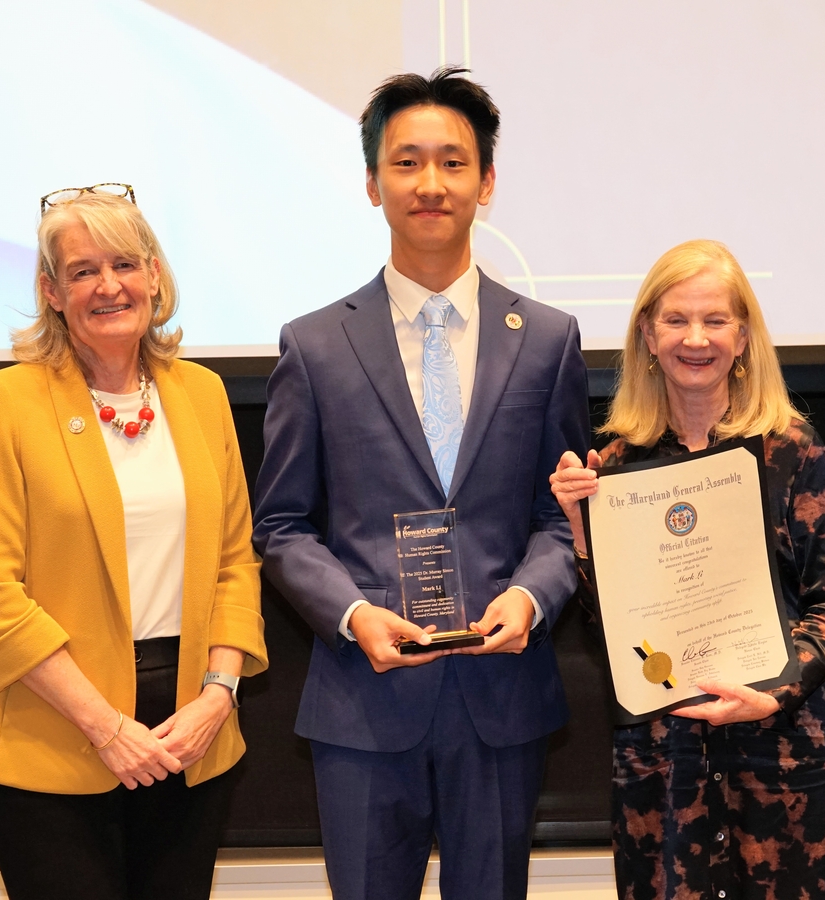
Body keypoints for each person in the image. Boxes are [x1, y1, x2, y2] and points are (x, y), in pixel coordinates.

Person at [251, 67, 589, 900]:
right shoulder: (315, 344)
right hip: (365, 702)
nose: (430, 184)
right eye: (406, 163)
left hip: (501, 695)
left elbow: (564, 515)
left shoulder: (546, 339)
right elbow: (283, 526)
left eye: (452, 162)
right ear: (372, 184)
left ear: (487, 183)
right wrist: (354, 613)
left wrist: (534, 598)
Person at [0, 185, 268, 900]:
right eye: (82, 270)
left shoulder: (203, 395)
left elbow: (234, 566)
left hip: (191, 736)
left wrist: (218, 696)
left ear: (155, 275)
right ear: (51, 292)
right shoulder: (3, 405)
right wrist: (106, 728)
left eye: (125, 263)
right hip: (54, 742)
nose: (108, 286)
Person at [550, 240, 825, 900]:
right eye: (676, 320)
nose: (697, 339)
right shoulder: (613, 469)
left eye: (716, 321)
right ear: (646, 335)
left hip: (782, 762)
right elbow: (617, 631)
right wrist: (581, 533)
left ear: (744, 336)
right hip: (665, 770)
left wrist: (773, 689)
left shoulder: (792, 451)